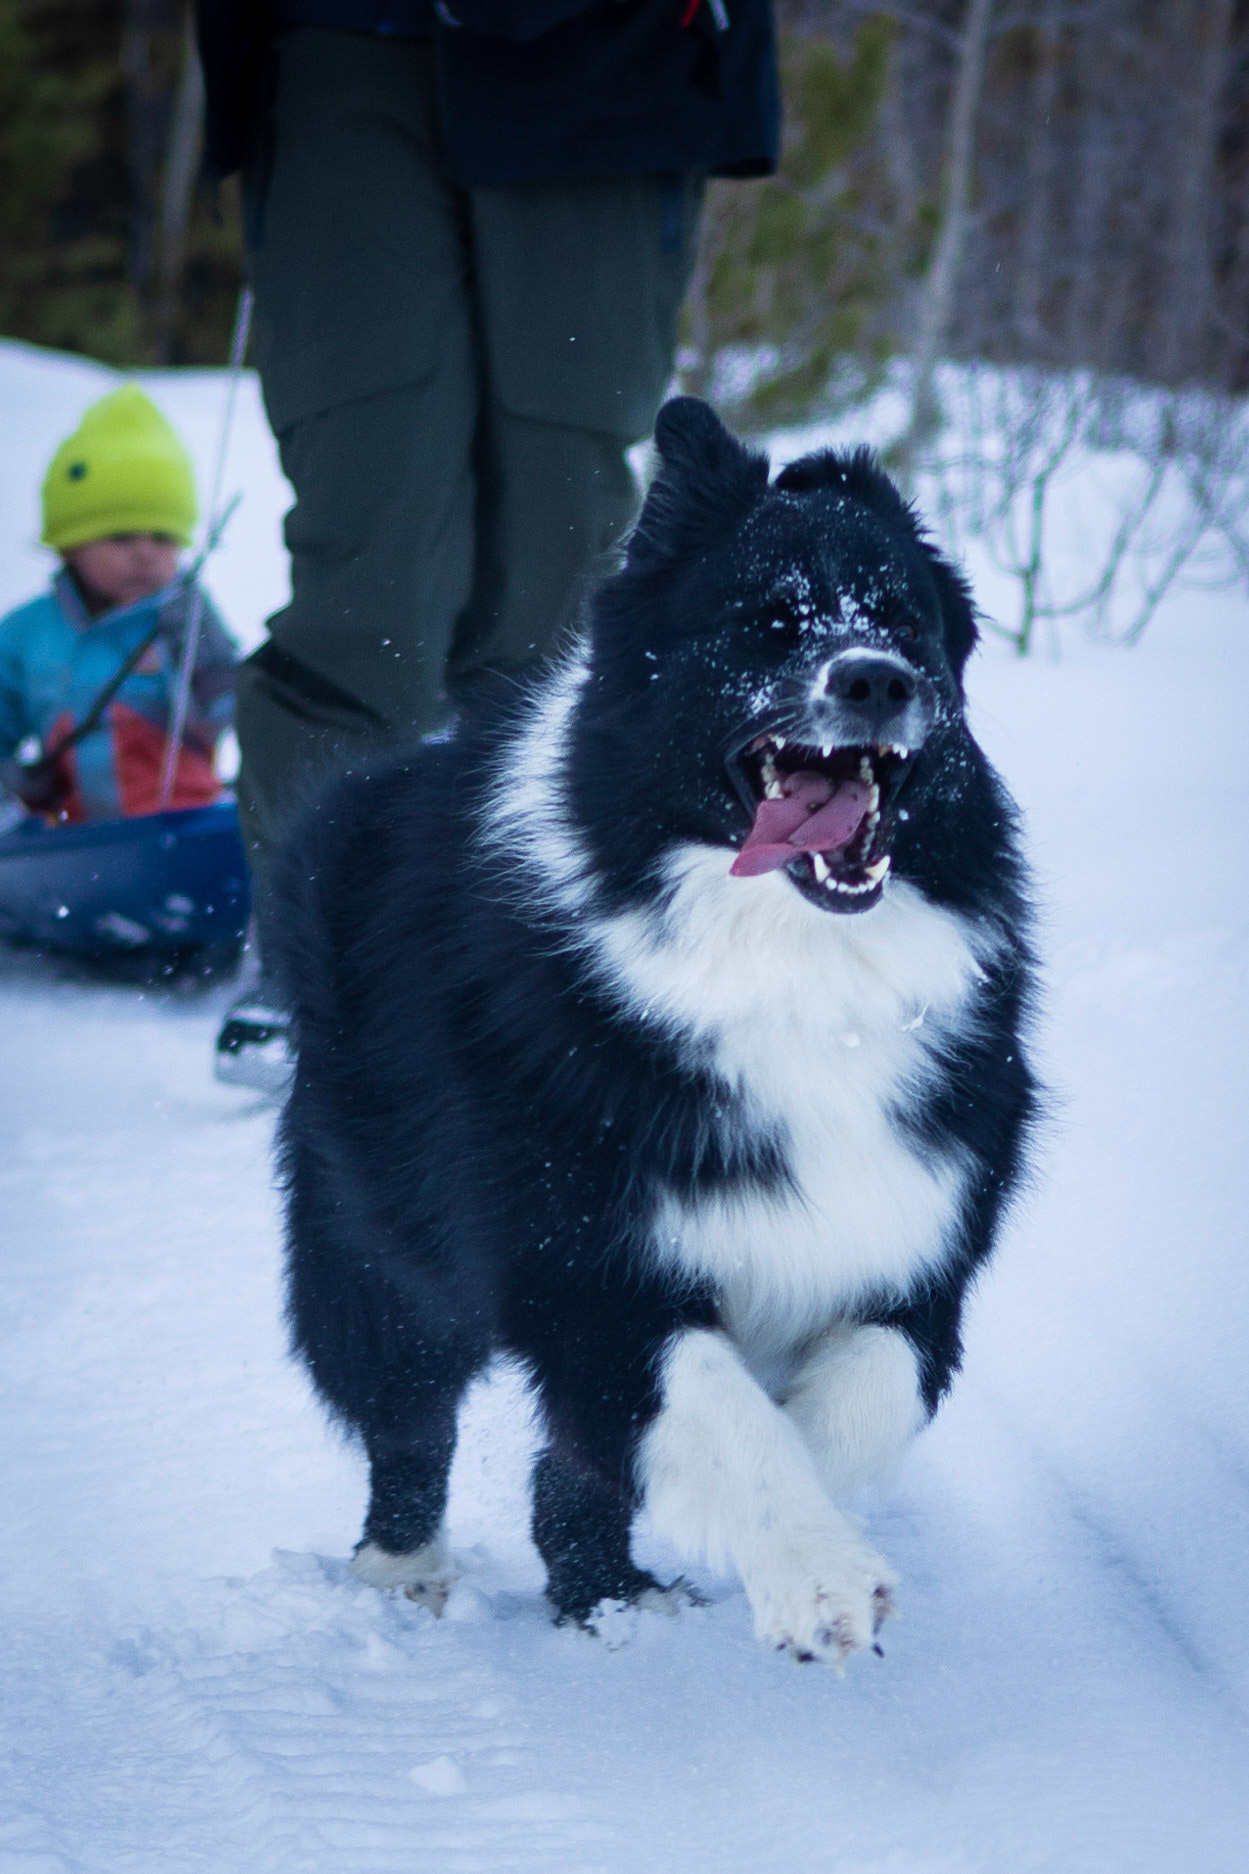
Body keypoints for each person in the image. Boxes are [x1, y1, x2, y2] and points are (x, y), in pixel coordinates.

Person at [196, 0, 779, 1089]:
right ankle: (322, 940)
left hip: (602, 54)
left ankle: (527, 932)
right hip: (342, 38)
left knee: (553, 558)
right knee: (369, 560)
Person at [0, 386, 237, 824]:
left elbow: (227, 712)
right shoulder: (26, 635)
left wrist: (207, 666)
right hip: (76, 844)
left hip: (191, 831)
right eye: (122, 537)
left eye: (162, 538)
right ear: (69, 545)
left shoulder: (187, 618)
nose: (145, 553)